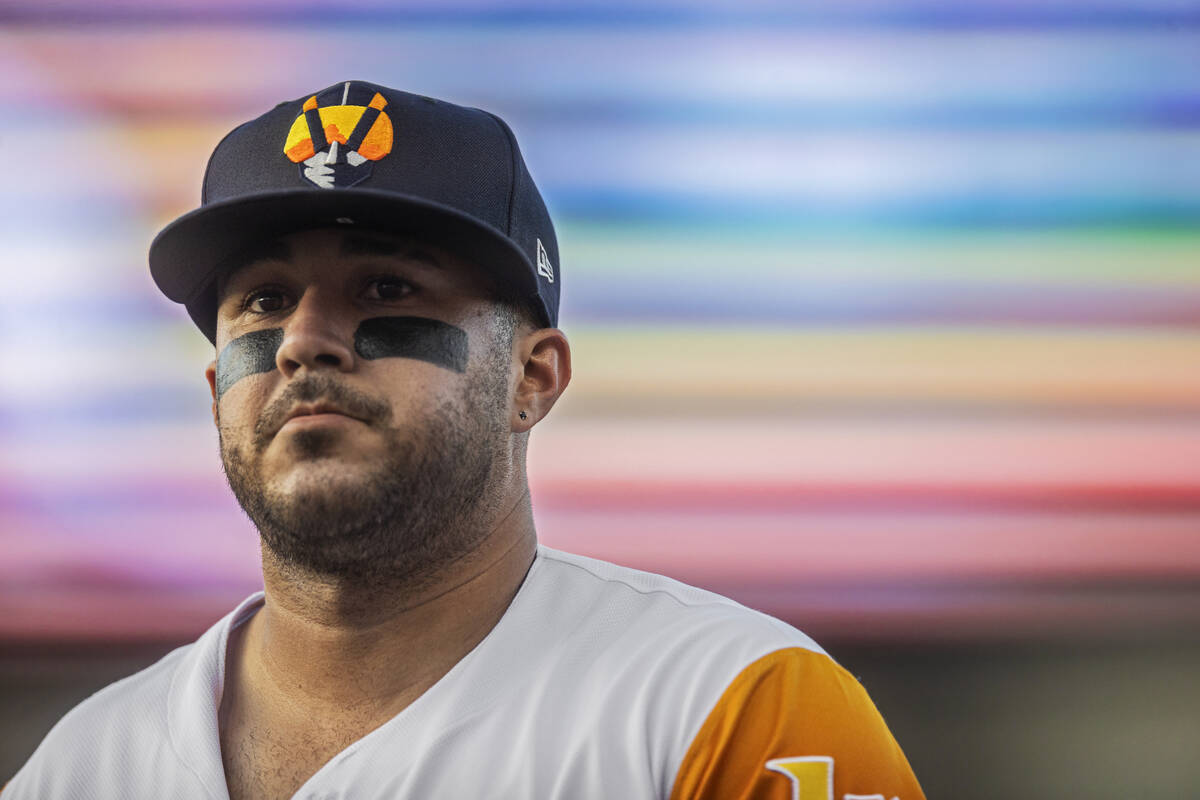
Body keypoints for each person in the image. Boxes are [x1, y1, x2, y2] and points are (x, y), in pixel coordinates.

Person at [3, 81, 924, 800]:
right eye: (266, 300)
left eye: (387, 289)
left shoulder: (734, 706)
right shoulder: (85, 765)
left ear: (533, 378)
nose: (302, 341)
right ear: (216, 392)